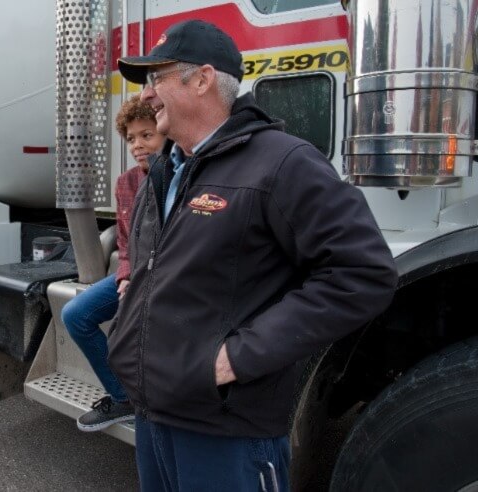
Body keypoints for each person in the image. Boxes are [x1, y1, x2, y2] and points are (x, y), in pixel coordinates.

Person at [108, 20, 398, 491]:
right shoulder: (164, 169)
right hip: (153, 416)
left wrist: (235, 358)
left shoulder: (283, 162)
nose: (148, 95)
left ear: (201, 80)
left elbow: (362, 274)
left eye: (156, 78)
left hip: (226, 432)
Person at [61, 95, 165, 432]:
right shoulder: (127, 182)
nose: (137, 145)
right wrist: (123, 278)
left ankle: (159, 404)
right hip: (135, 274)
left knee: (135, 329)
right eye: (131, 138)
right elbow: (125, 242)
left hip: (167, 279)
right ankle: (123, 397)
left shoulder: (183, 178)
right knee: (76, 315)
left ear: (166, 132)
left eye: (147, 135)